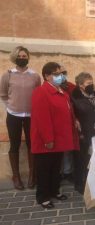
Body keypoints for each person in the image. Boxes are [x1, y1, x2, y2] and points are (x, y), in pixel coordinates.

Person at [31, 62, 79, 208]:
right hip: (46, 140)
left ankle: (54, 190)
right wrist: (48, 139)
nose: (60, 77)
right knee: (44, 169)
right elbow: (42, 118)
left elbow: (67, 111)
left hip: (59, 138)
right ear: (46, 76)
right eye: (56, 74)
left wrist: (74, 122)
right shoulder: (41, 92)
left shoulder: (61, 91)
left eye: (61, 74)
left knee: (55, 167)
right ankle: (43, 196)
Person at [0, 46, 41, 190]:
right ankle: (16, 176)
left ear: (28, 57)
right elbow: (3, 94)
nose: (22, 58)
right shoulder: (8, 75)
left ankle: (32, 175)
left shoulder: (35, 76)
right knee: (15, 145)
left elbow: (38, 95)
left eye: (25, 56)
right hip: (13, 116)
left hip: (31, 116)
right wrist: (12, 107)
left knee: (32, 144)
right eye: (20, 56)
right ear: (15, 57)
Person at [71, 72, 95, 194]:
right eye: (88, 83)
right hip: (83, 134)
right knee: (82, 160)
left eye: (92, 82)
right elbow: (72, 115)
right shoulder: (74, 97)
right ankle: (81, 184)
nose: (91, 85)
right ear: (81, 85)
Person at [59, 65, 76, 181]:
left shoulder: (72, 87)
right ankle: (58, 172)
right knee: (58, 150)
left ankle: (67, 171)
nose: (62, 75)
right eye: (59, 73)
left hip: (71, 121)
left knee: (68, 149)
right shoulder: (52, 87)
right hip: (58, 122)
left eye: (64, 72)